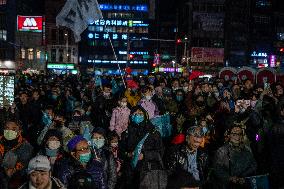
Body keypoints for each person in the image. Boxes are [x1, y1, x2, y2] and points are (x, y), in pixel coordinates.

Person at [120, 106, 165, 189]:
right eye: (135, 114)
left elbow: (160, 152)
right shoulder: (126, 134)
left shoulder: (153, 133)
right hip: (131, 173)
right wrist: (129, 154)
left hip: (148, 172)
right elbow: (121, 152)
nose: (137, 116)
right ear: (131, 116)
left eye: (140, 114)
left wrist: (145, 155)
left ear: (145, 115)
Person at [213, 123, 257, 189]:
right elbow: (217, 170)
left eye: (240, 134)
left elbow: (253, 165)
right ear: (230, 135)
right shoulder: (222, 151)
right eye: (234, 134)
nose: (237, 137)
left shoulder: (247, 150)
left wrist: (244, 177)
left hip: (245, 185)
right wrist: (229, 178)